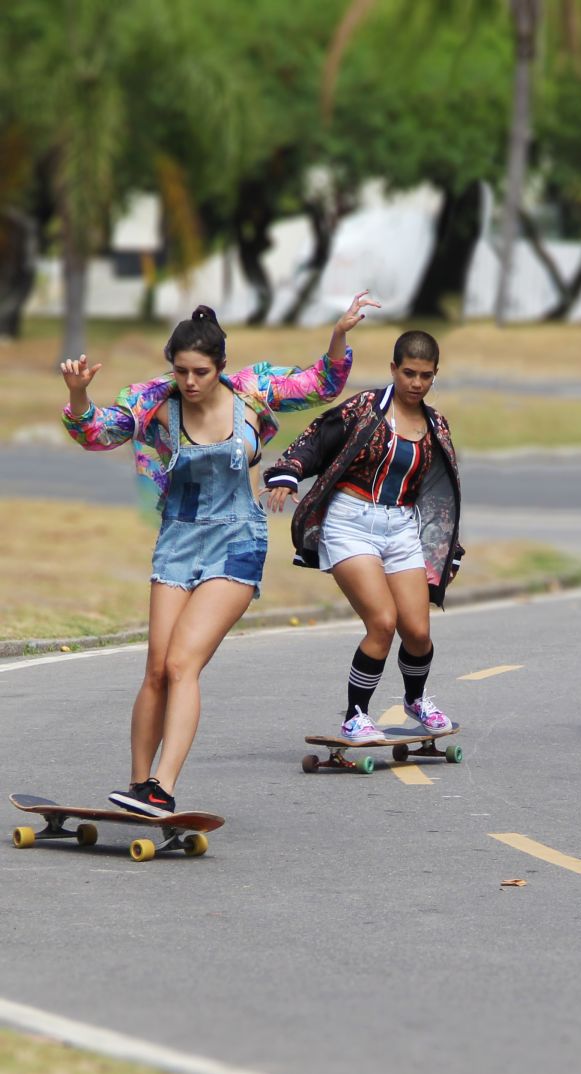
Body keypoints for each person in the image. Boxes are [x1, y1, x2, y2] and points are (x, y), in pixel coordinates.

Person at [60, 291, 378, 815]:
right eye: (181, 371)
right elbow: (98, 431)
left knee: (184, 663)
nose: (189, 382)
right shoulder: (154, 401)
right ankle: (139, 786)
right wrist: (77, 395)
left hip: (237, 541)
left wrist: (339, 335)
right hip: (178, 539)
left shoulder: (251, 392)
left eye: (201, 372)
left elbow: (321, 383)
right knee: (157, 669)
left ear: (220, 367)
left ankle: (163, 786)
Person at [263, 329, 462, 742]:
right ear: (393, 369)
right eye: (408, 373)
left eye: (425, 376)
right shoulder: (366, 409)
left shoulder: (436, 425)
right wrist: (288, 473)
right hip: (351, 523)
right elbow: (317, 439)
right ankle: (356, 715)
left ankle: (415, 700)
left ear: (434, 376)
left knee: (418, 631)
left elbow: (442, 491)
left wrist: (448, 545)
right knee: (382, 622)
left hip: (402, 527)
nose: (416, 383)